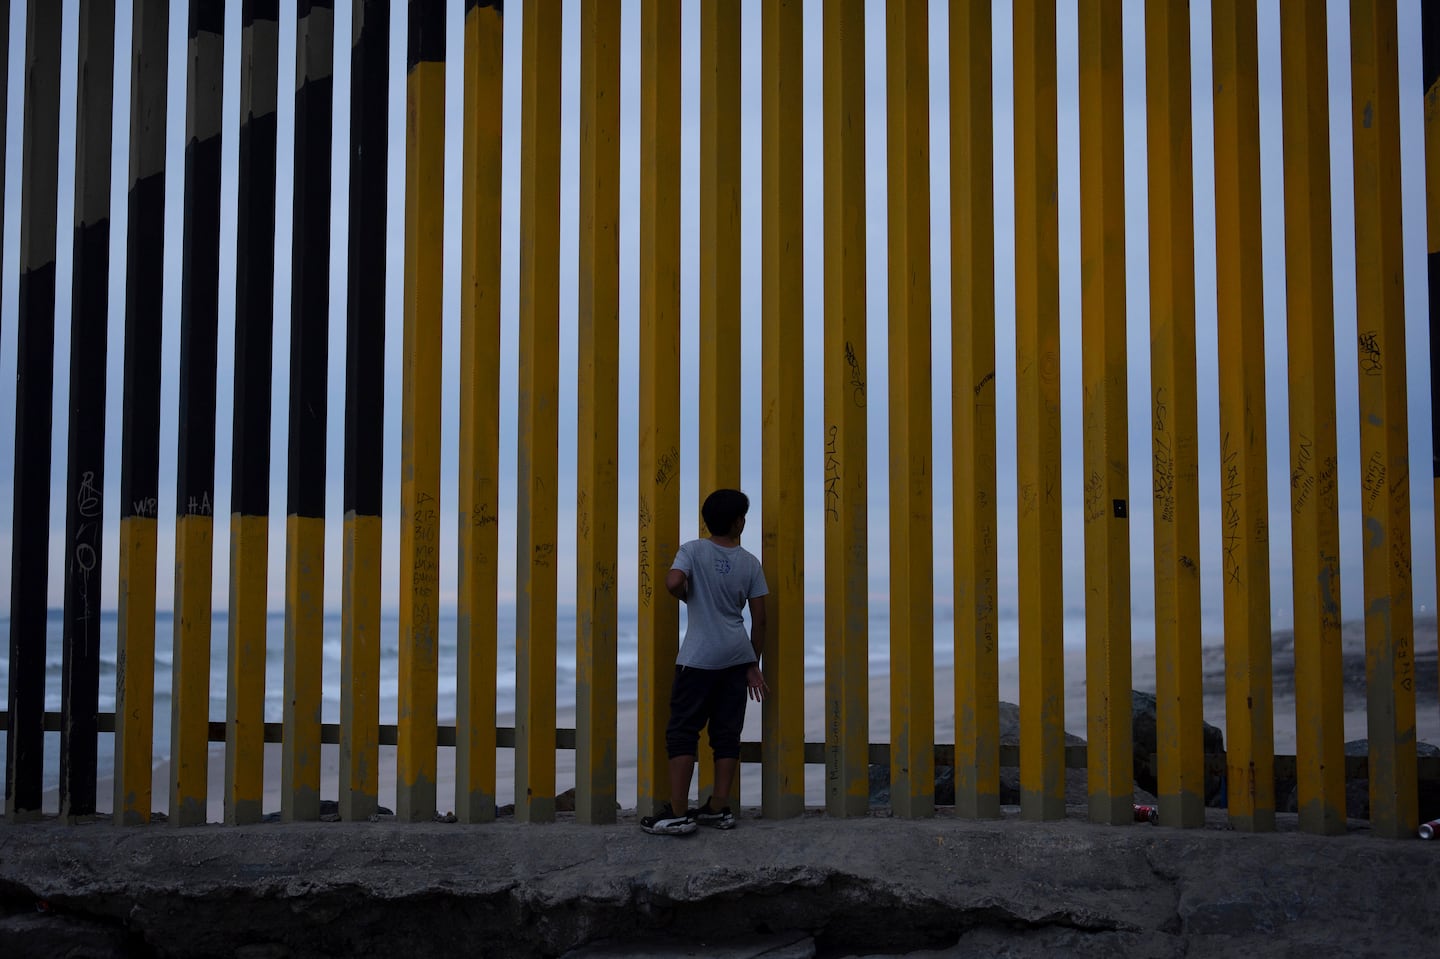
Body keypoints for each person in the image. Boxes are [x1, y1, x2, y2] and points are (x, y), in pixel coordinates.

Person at [640, 488, 768, 835]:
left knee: (683, 731)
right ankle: (718, 807)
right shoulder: (750, 562)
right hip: (735, 658)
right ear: (737, 521)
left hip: (698, 659)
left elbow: (672, 582)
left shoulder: (693, 550)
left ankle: (679, 812)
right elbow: (759, 619)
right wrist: (752, 662)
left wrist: (687, 595)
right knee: (726, 734)